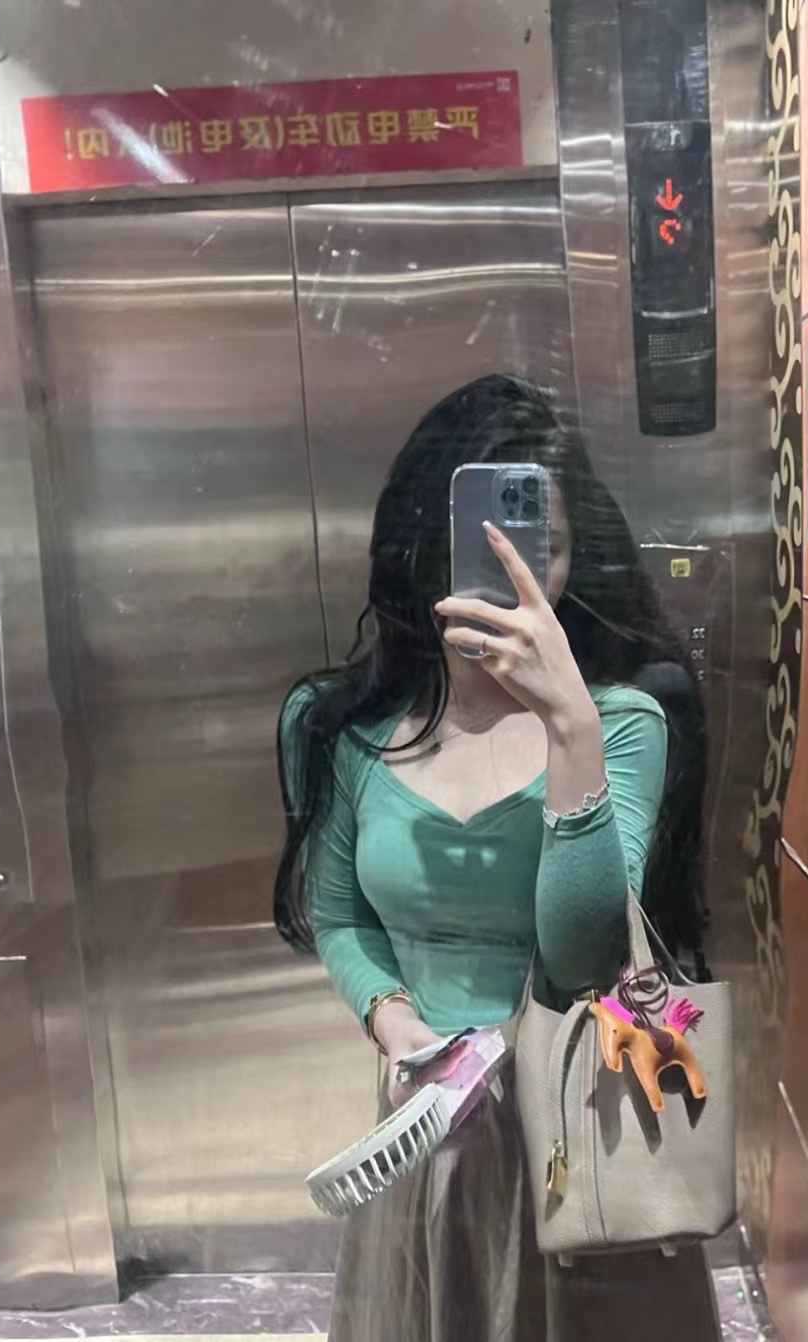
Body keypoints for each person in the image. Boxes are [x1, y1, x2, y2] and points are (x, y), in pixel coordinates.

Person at [274, 374, 718, 1341]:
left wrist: (570, 727)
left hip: (587, 1140)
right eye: (479, 544)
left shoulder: (624, 724)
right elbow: (340, 914)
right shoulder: (345, 731)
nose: (514, 573)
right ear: (421, 545)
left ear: (576, 555)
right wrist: (397, 1026)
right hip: (427, 1143)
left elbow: (583, 956)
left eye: (541, 546)